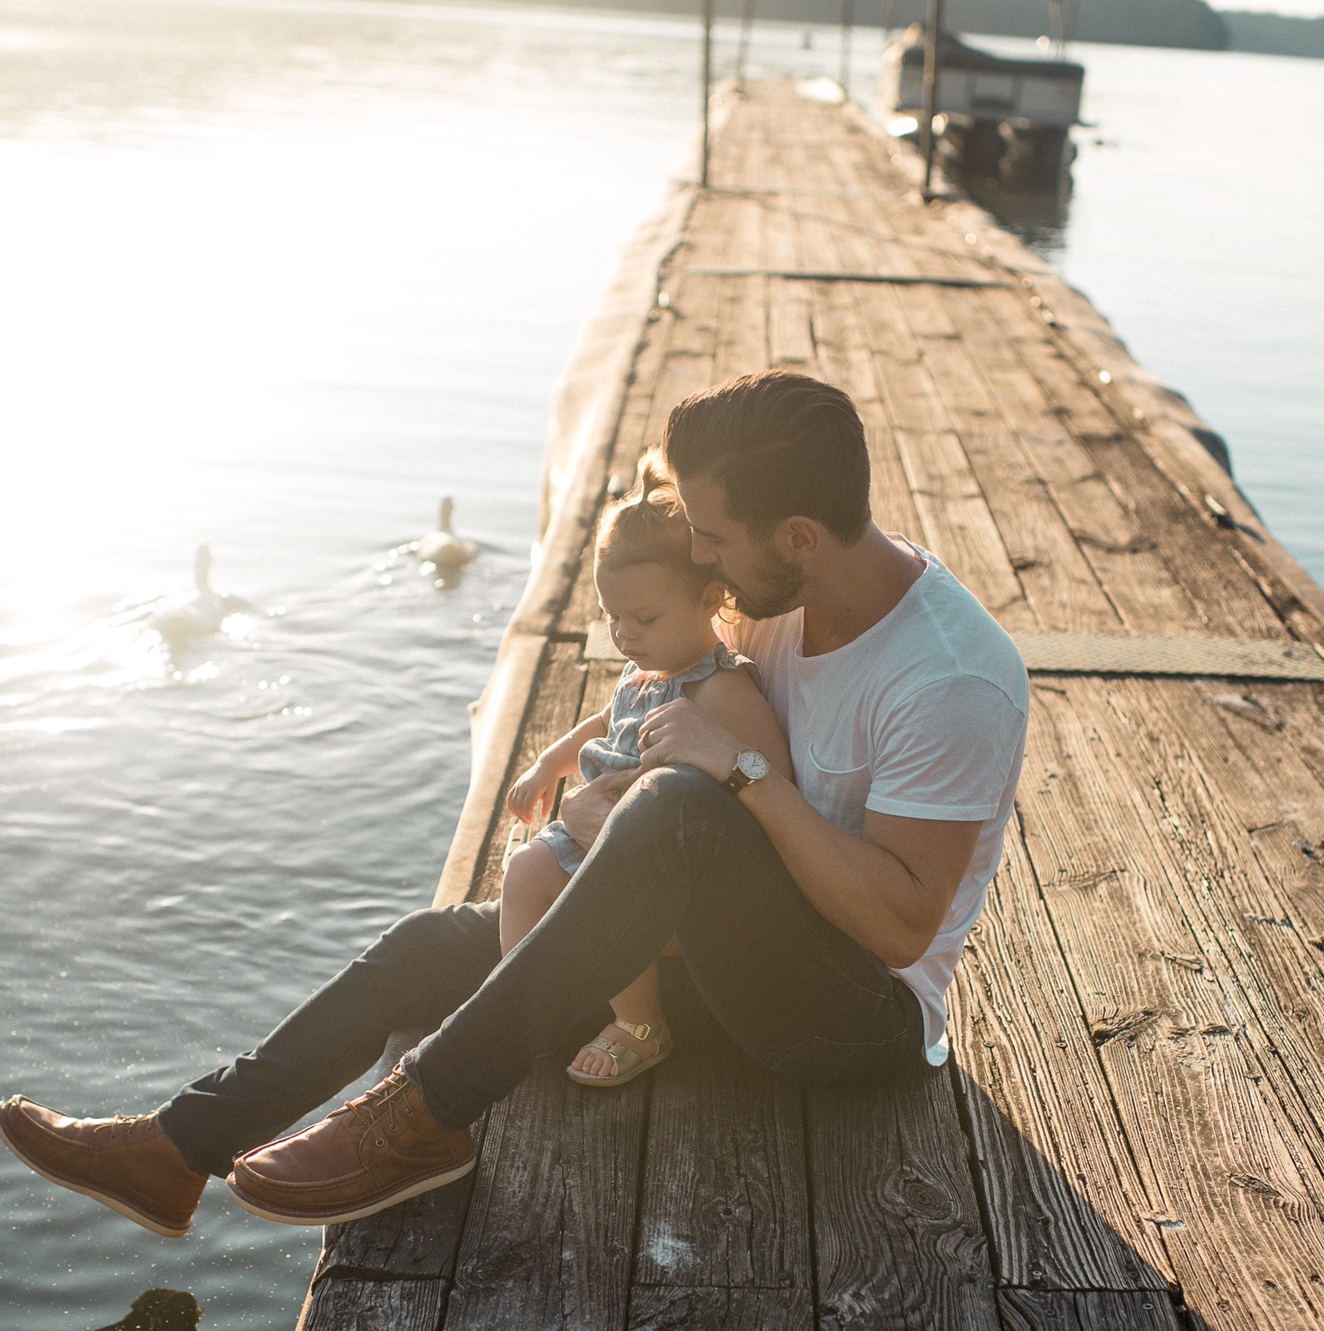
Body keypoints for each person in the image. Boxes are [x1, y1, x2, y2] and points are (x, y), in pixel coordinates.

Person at [0, 369, 1028, 1238]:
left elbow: (899, 929)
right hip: (717, 959)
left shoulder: (949, 678)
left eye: (712, 537)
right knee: (426, 947)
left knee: (676, 809)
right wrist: (576, 756)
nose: (698, 556)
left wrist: (739, 778)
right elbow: (671, 698)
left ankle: (424, 1115)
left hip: (849, 1020)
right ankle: (175, 1150)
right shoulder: (777, 605)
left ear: (798, 535)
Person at [501, 452, 792, 1085]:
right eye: (612, 619)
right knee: (523, 870)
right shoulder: (645, 671)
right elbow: (605, 723)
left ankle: (642, 1024)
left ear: (712, 597)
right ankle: (526, 1006)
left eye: (645, 618)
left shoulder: (721, 690)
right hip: (597, 829)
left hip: (662, 867)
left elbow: (772, 781)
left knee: (608, 900)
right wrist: (549, 765)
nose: (624, 636)